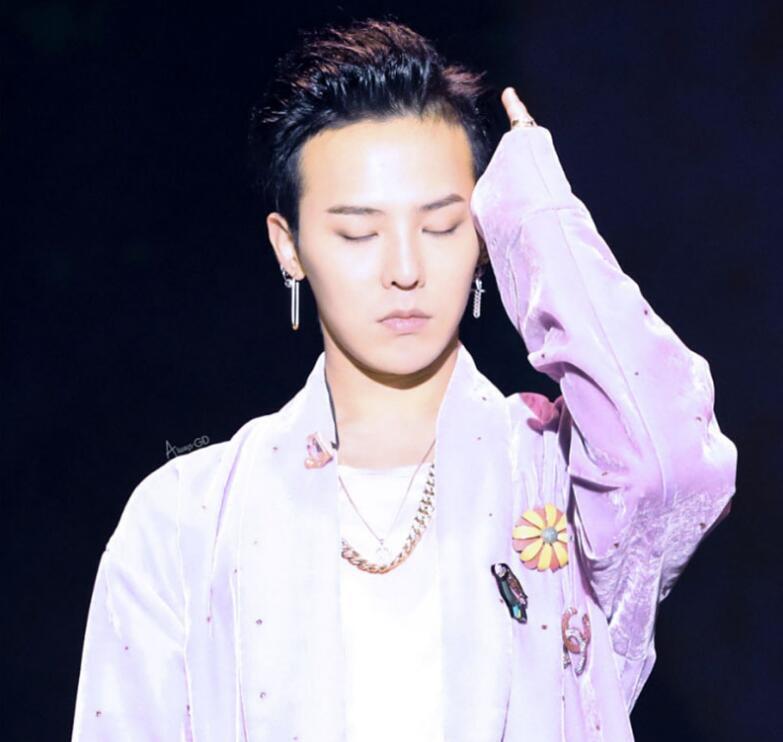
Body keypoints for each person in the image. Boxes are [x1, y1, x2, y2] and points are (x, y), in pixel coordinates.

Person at [70, 17, 737, 742]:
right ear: (289, 247)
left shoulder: (556, 478)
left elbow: (673, 462)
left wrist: (538, 219)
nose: (406, 269)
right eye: (358, 233)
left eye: (442, 226)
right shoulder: (186, 522)